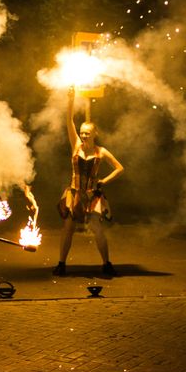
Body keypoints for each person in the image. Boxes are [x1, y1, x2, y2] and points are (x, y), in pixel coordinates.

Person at [54, 87, 124, 277]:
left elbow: (119, 168)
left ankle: (106, 264)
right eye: (82, 133)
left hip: (92, 194)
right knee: (68, 228)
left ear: (95, 134)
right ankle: (61, 264)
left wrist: (103, 181)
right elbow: (69, 121)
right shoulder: (76, 145)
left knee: (97, 229)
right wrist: (71, 100)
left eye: (87, 133)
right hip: (75, 193)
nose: (84, 135)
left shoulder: (101, 151)